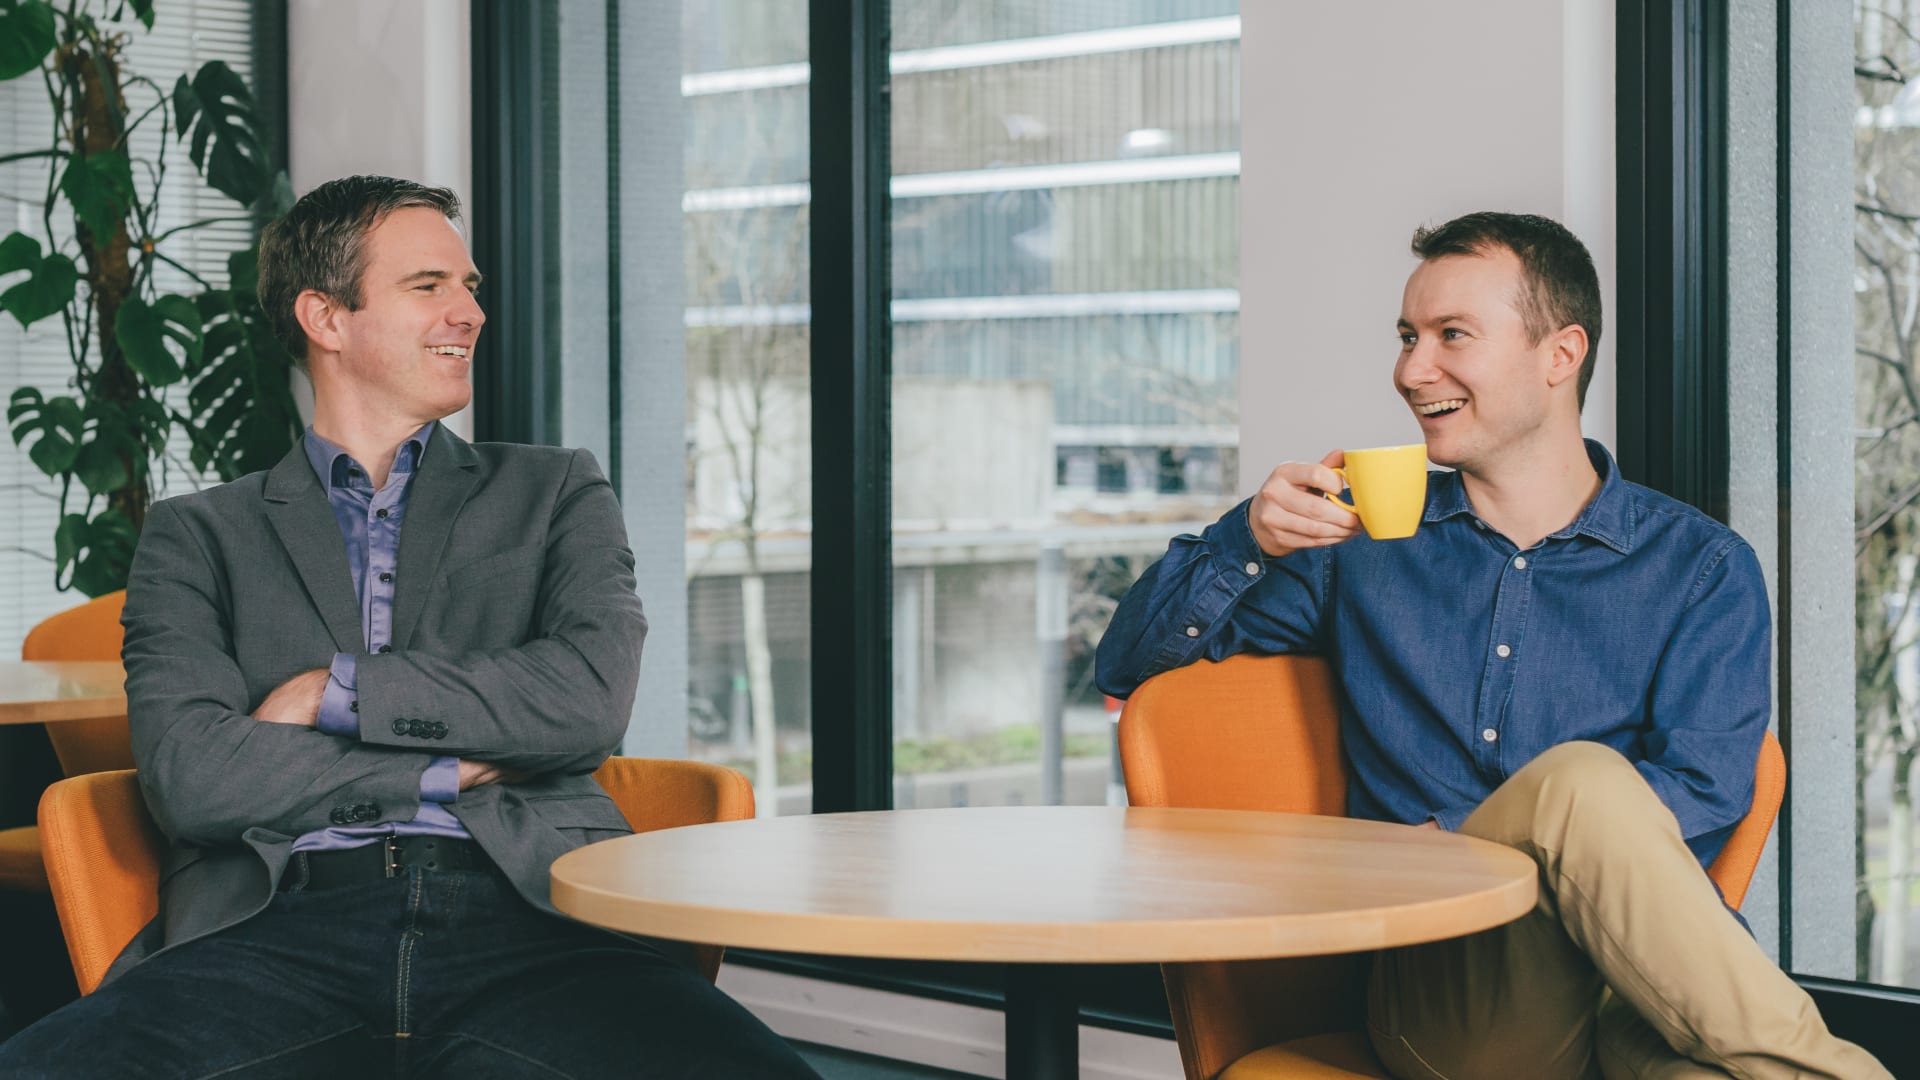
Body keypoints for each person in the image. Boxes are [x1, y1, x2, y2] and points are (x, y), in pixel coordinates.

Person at [0, 175, 820, 1079]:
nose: (468, 311)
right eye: (429, 286)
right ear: (326, 317)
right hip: (271, 933)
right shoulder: (197, 534)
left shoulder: (555, 491)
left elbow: (587, 700)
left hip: (536, 922)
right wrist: (456, 758)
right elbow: (194, 780)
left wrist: (335, 691)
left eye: (470, 288)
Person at [1095, 212, 1889, 1079]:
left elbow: (1707, 787)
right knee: (1584, 780)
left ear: (1560, 354)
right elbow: (1129, 667)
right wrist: (1249, 535)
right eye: (1406, 337)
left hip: (1643, 981)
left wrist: (1512, 839)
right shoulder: (1356, 547)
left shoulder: (1701, 567)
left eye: (1451, 336)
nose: (1410, 369)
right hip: (1456, 994)